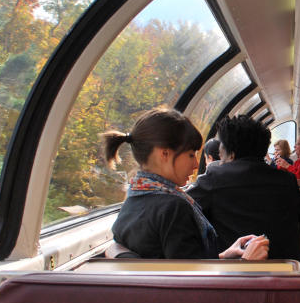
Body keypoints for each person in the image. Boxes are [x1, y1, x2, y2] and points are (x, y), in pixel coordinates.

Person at [102, 107, 269, 260]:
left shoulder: (134, 198)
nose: (196, 164)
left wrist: (224, 256)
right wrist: (246, 262)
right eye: (191, 155)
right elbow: (191, 286)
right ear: (164, 154)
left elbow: (180, 266)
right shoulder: (173, 208)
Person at [188, 115, 300, 262]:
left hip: (236, 274)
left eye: (221, 152)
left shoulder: (214, 179)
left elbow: (184, 207)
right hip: (288, 273)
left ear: (230, 153)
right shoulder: (287, 180)